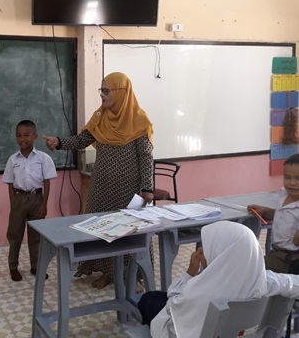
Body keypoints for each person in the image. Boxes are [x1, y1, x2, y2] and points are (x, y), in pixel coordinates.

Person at [44, 72, 154, 289]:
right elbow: (82, 140)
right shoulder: (100, 117)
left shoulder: (139, 120)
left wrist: (147, 187)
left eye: (106, 91)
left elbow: (146, 156)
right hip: (102, 187)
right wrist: (59, 142)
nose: (102, 95)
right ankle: (108, 272)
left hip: (128, 189)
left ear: (121, 92)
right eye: (101, 90)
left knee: (128, 230)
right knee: (102, 230)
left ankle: (133, 275)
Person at [138, 221, 299, 338]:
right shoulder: (263, 280)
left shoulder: (198, 293)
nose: (203, 251)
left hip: (194, 328)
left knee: (149, 299)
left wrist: (188, 274)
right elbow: (291, 283)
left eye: (209, 248)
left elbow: (172, 306)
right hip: (238, 330)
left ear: (222, 256)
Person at [2, 120, 57, 282]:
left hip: (37, 198)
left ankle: (36, 266)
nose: (22, 139)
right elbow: (10, 183)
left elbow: (47, 182)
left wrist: (44, 204)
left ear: (35, 136)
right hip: (19, 199)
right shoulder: (13, 160)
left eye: (26, 135)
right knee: (14, 235)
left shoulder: (43, 158)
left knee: (36, 236)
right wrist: (13, 203)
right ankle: (13, 267)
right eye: (19, 135)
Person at [247, 153, 299, 273]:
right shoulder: (284, 195)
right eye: (287, 177)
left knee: (252, 269)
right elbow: (284, 216)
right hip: (277, 251)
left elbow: (296, 241)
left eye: (298, 179)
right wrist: (266, 211)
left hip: (291, 258)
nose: (292, 183)